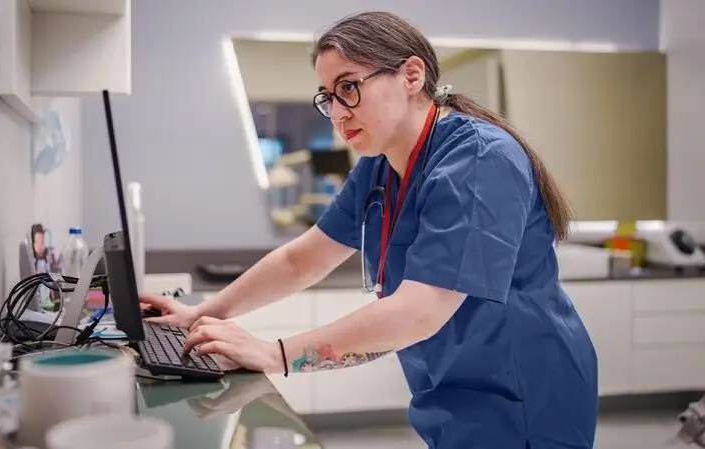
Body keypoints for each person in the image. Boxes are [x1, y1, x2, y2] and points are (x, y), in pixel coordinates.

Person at [140, 11, 598, 449]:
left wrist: (275, 354)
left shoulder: (478, 160)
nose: (337, 112)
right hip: (450, 389)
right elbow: (303, 259)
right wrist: (204, 315)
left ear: (412, 75)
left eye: (348, 87)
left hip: (522, 394)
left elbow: (421, 310)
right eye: (327, 96)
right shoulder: (378, 168)